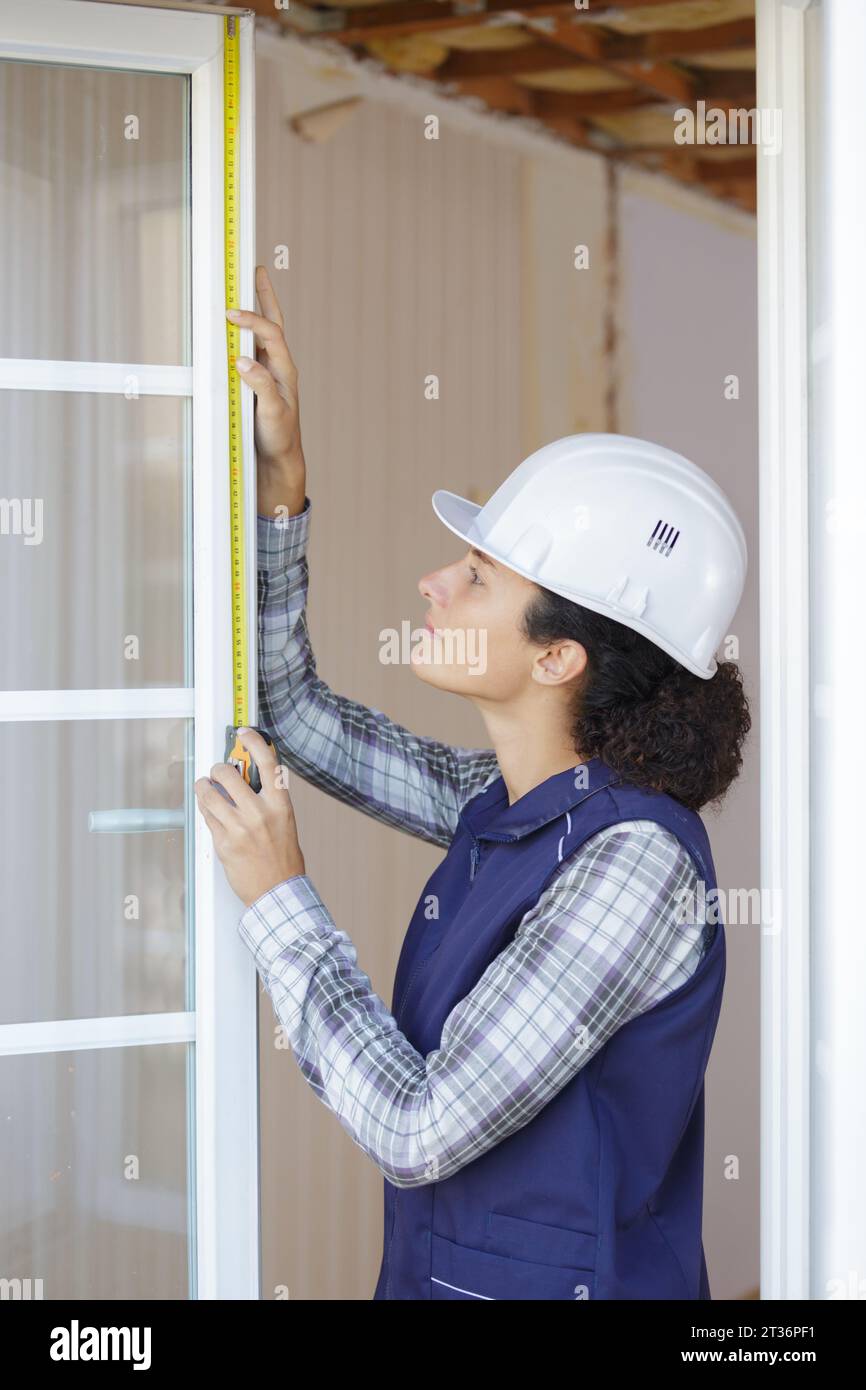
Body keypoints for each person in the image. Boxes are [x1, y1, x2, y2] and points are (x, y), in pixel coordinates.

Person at [195, 265, 751, 1301]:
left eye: (480, 577)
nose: (434, 583)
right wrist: (282, 488)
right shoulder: (507, 807)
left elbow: (417, 1126)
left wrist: (278, 900)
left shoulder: (631, 864)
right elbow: (297, 714)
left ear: (557, 659)